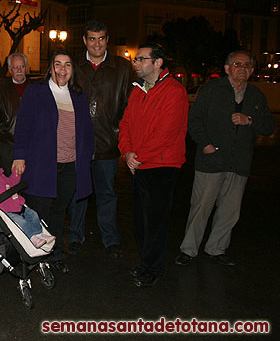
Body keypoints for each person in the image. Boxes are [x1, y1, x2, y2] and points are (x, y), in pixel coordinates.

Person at [175, 51, 274, 267]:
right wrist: (205, 143)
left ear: (252, 70)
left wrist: (249, 120)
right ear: (227, 68)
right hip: (211, 162)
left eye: (247, 65)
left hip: (239, 164)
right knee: (200, 207)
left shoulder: (256, 95)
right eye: (237, 64)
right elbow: (194, 120)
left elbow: (268, 126)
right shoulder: (212, 90)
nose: (243, 68)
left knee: (230, 212)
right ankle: (189, 250)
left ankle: (216, 249)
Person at [12, 51, 95, 274]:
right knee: (38, 214)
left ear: (72, 70)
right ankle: (31, 256)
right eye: (57, 64)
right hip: (41, 166)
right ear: (50, 68)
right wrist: (19, 155)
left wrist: (86, 159)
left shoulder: (78, 95)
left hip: (69, 166)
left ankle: (54, 255)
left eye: (67, 65)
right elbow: (23, 126)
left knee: (59, 213)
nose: (62, 69)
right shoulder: (36, 92)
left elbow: (86, 132)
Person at [118, 43, 188, 288]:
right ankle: (146, 262)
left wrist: (138, 156)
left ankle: (153, 268)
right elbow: (125, 124)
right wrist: (127, 152)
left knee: (156, 221)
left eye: (141, 59)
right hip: (139, 165)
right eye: (135, 59)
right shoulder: (138, 90)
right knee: (140, 221)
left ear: (158, 63)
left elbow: (166, 133)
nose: (135, 63)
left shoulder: (174, 91)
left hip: (161, 166)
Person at [69, 19, 134, 259]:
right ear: (85, 40)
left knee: (107, 193)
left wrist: (120, 134)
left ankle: (110, 238)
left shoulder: (123, 68)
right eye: (92, 38)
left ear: (108, 40)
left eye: (102, 38)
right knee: (78, 192)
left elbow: (130, 105)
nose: (97, 43)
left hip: (108, 143)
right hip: (79, 143)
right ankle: (75, 236)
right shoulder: (74, 66)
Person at [0, 153, 54, 248]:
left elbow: (12, 183)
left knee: (33, 214)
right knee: (22, 222)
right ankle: (31, 237)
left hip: (18, 205)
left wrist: (16, 172)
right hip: (7, 210)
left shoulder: (1, 175)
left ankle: (39, 234)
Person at [0, 52, 30, 169]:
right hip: (8, 145)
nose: (19, 70)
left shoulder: (34, 89)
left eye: (22, 66)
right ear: (10, 70)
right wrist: (6, 131)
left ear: (26, 68)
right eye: (15, 67)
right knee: (10, 179)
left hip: (31, 144)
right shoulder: (0, 89)